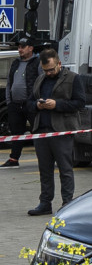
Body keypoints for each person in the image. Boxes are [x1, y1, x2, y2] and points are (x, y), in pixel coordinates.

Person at [26, 48, 85, 216]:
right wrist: (37, 105)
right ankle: (45, 203)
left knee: (65, 169)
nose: (49, 73)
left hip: (62, 131)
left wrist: (57, 105)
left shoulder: (73, 78)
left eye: (51, 69)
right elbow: (29, 103)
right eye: (46, 70)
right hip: (41, 131)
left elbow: (80, 103)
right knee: (44, 170)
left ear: (59, 63)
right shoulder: (40, 79)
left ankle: (67, 203)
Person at [0, 35, 41, 169]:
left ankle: (44, 159)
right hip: (15, 104)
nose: (20, 49)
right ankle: (13, 159)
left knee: (37, 131)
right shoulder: (16, 63)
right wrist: (9, 100)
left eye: (22, 47)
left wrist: (37, 100)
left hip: (31, 104)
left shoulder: (37, 62)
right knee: (16, 133)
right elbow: (9, 82)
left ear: (30, 48)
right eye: (19, 47)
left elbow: (42, 82)